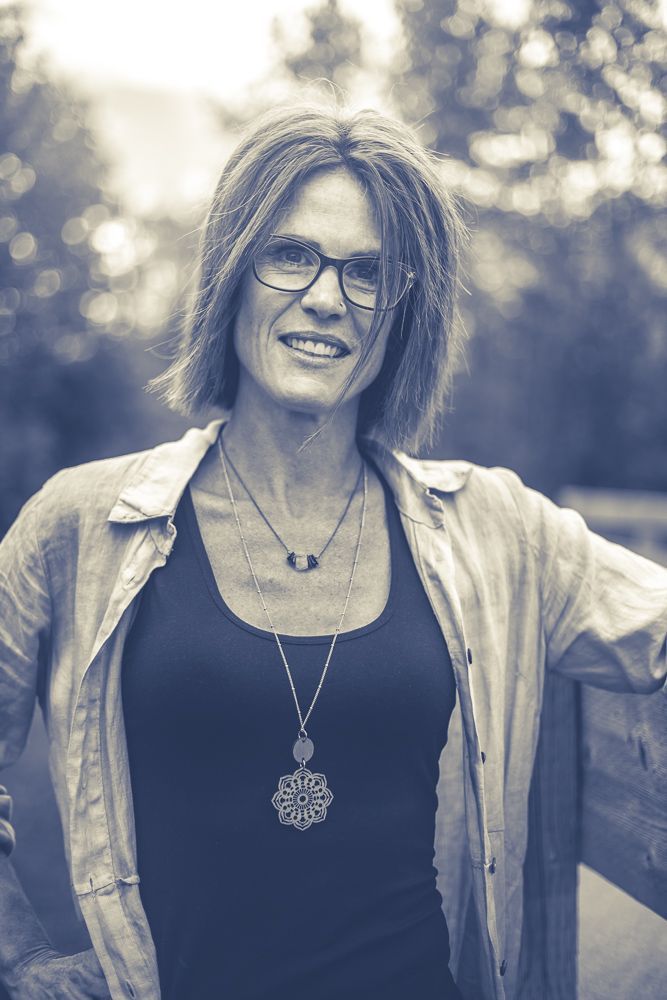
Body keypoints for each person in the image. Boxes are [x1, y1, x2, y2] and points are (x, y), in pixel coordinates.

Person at [0, 103, 666, 1000]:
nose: (325, 297)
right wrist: (20, 961)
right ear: (231, 272)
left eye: (369, 272)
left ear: (403, 313)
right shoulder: (79, 523)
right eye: (290, 254)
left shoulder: (492, 527)